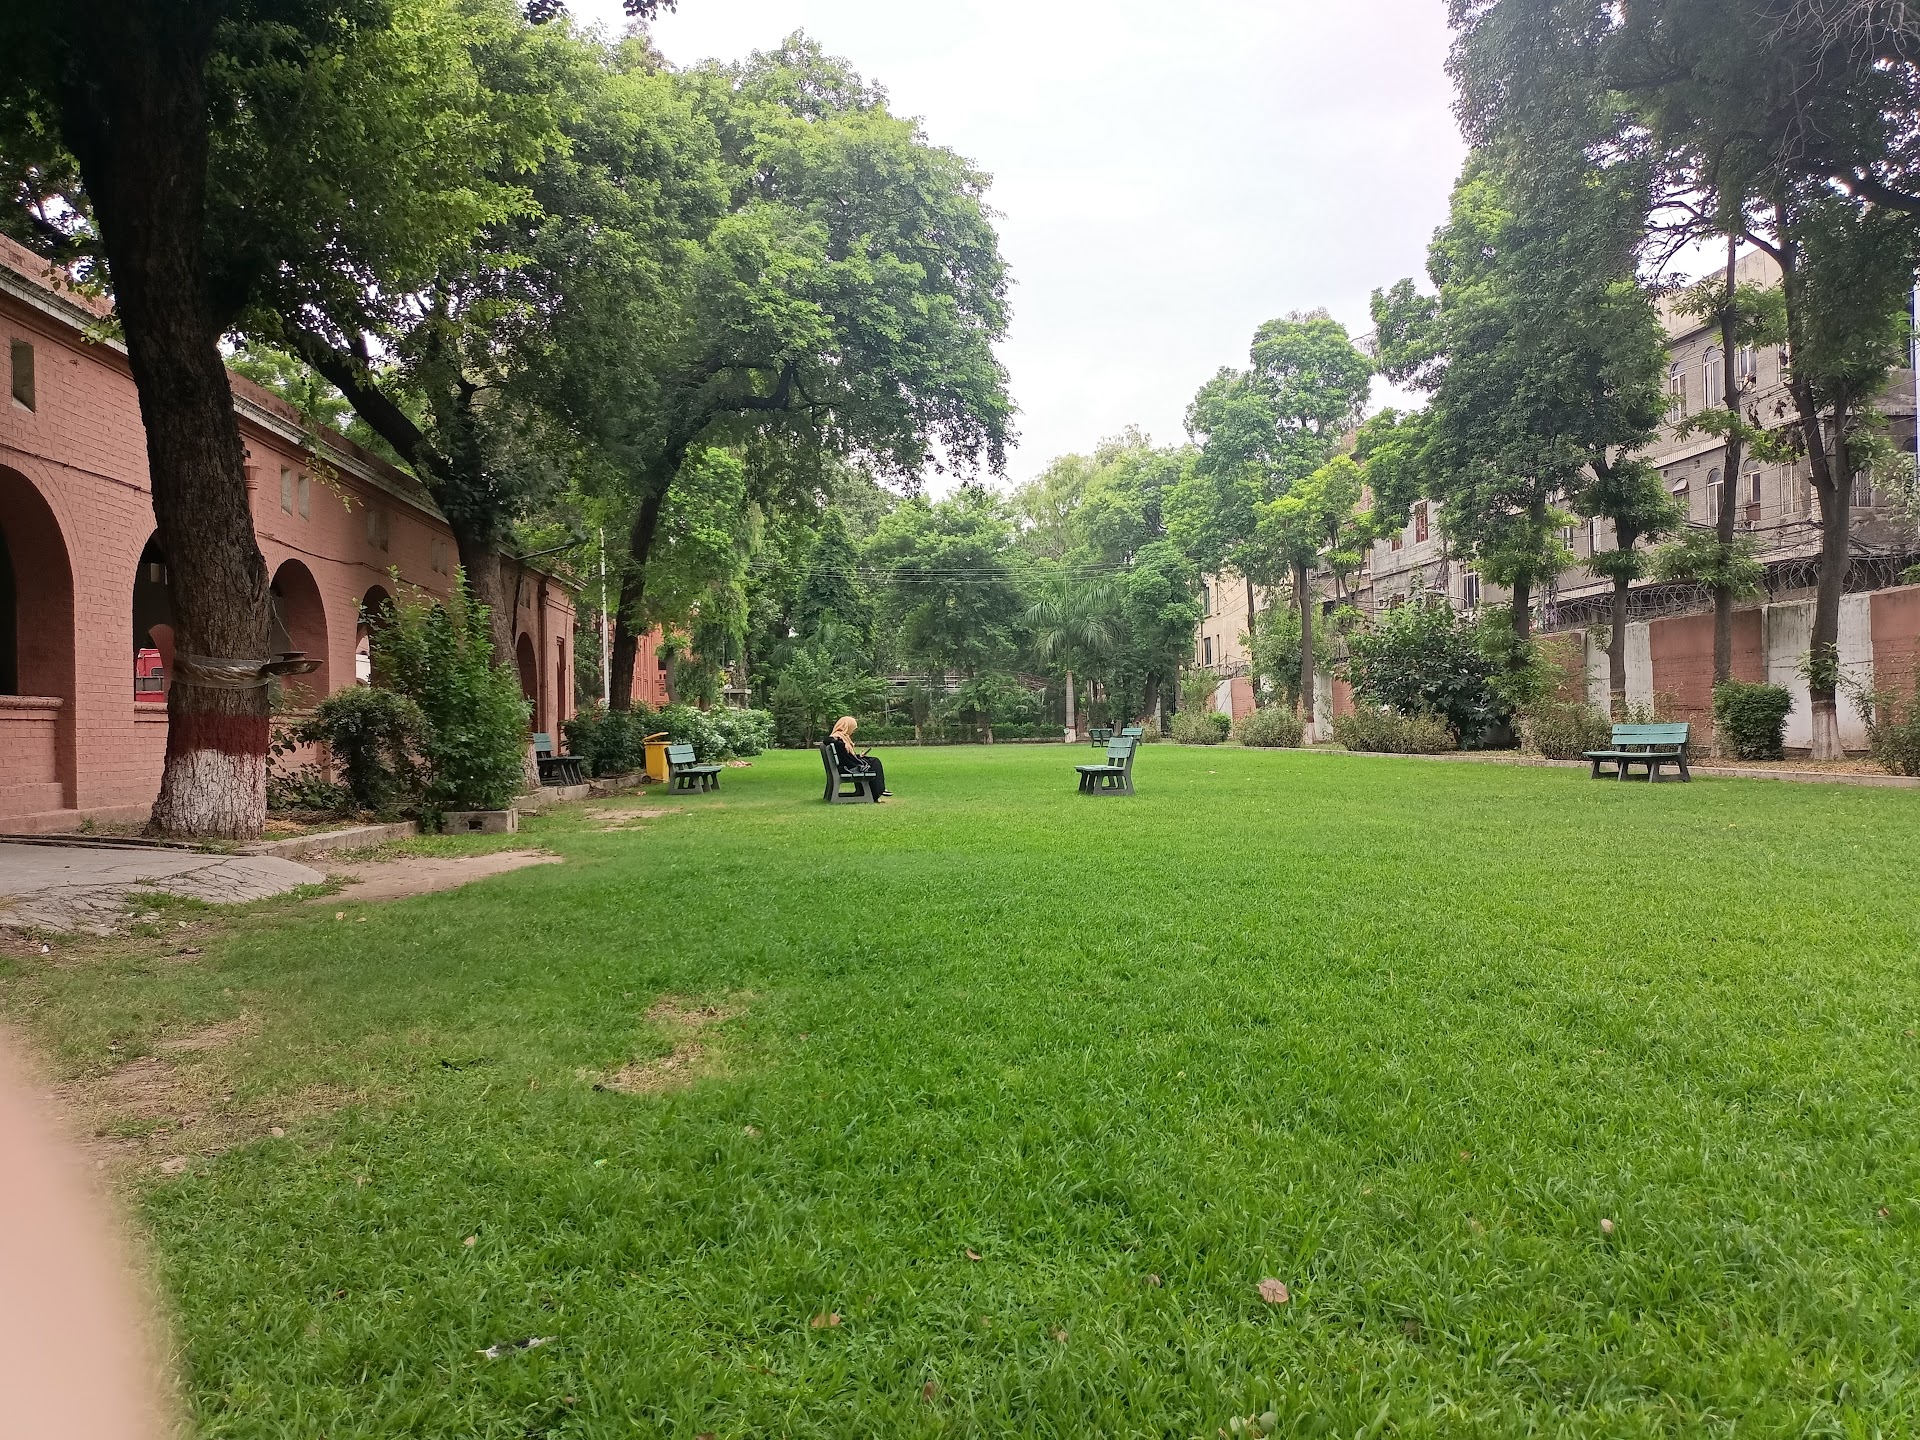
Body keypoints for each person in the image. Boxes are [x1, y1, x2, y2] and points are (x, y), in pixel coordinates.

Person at [828, 716, 891, 798]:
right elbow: (827, 740)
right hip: (847, 768)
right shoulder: (838, 739)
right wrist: (841, 741)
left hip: (846, 765)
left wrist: (858, 756)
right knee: (875, 761)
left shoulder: (841, 738)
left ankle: (878, 790)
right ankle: (877, 791)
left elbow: (847, 756)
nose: (853, 731)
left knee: (873, 761)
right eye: (852, 728)